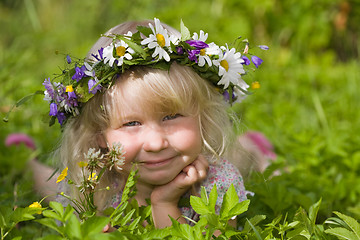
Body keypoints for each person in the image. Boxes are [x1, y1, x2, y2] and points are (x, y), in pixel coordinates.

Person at [16, 18, 271, 229]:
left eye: (171, 117)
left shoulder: (219, 183)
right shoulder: (97, 182)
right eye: (131, 123)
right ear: (99, 135)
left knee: (241, 158)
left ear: (202, 118)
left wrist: (164, 205)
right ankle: (26, 161)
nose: (156, 143)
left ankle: (256, 151)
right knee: (53, 189)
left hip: (210, 172)